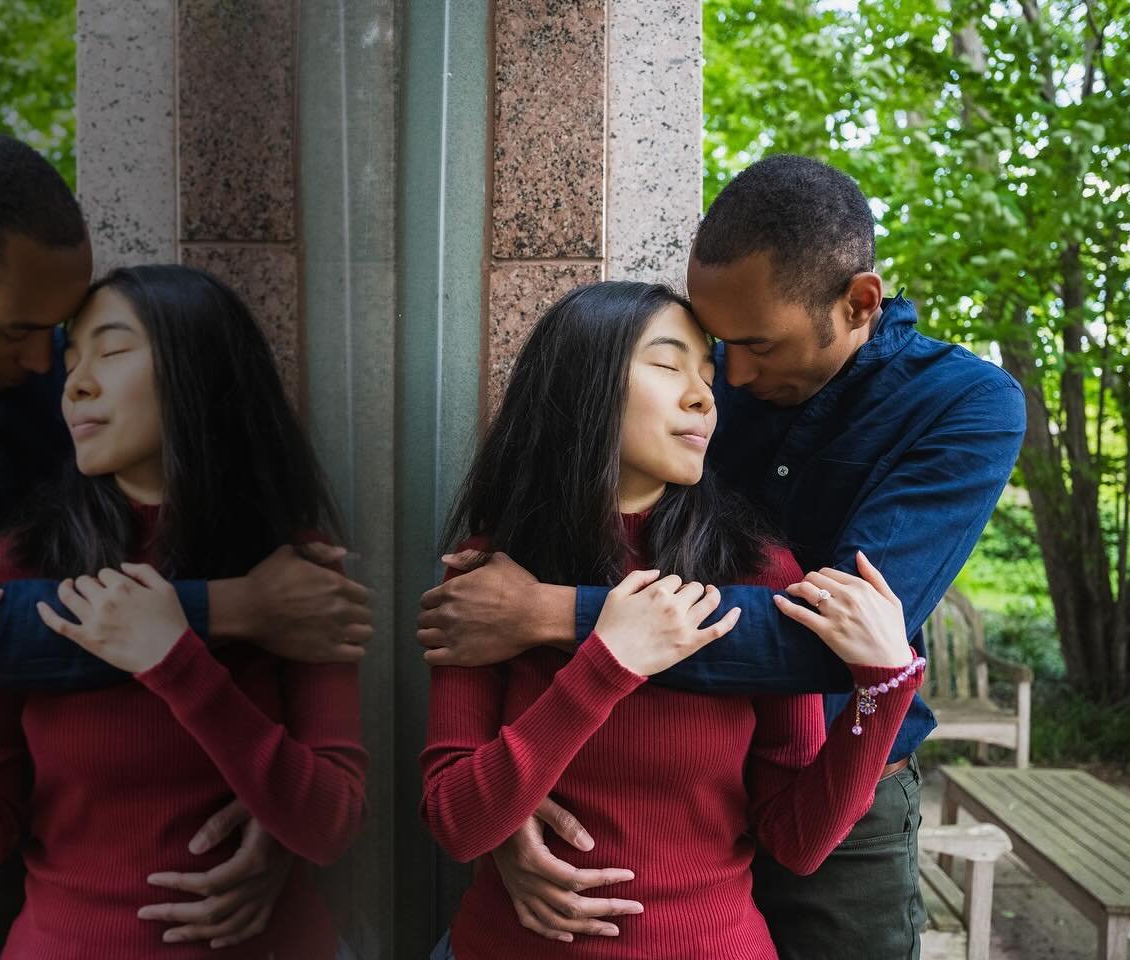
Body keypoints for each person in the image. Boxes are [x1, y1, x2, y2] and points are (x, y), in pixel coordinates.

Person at [417, 155, 1026, 957]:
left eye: (752, 350)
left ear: (858, 303)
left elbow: (816, 641)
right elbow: (462, 806)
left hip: (842, 790)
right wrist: (512, 802)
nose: (725, 384)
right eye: (701, 355)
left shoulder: (963, 407)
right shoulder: (504, 561)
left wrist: (557, 618)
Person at [0, 135, 373, 958]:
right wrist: (226, 614)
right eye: (26, 334)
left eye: (75, 340)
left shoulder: (285, 559)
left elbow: (325, 814)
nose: (51, 370)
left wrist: (271, 815)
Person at [421, 280, 925, 958]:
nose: (704, 396)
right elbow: (456, 821)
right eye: (668, 365)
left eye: (708, 374)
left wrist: (884, 688)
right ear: (584, 384)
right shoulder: (493, 576)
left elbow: (796, 842)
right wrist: (605, 666)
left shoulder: (758, 572)